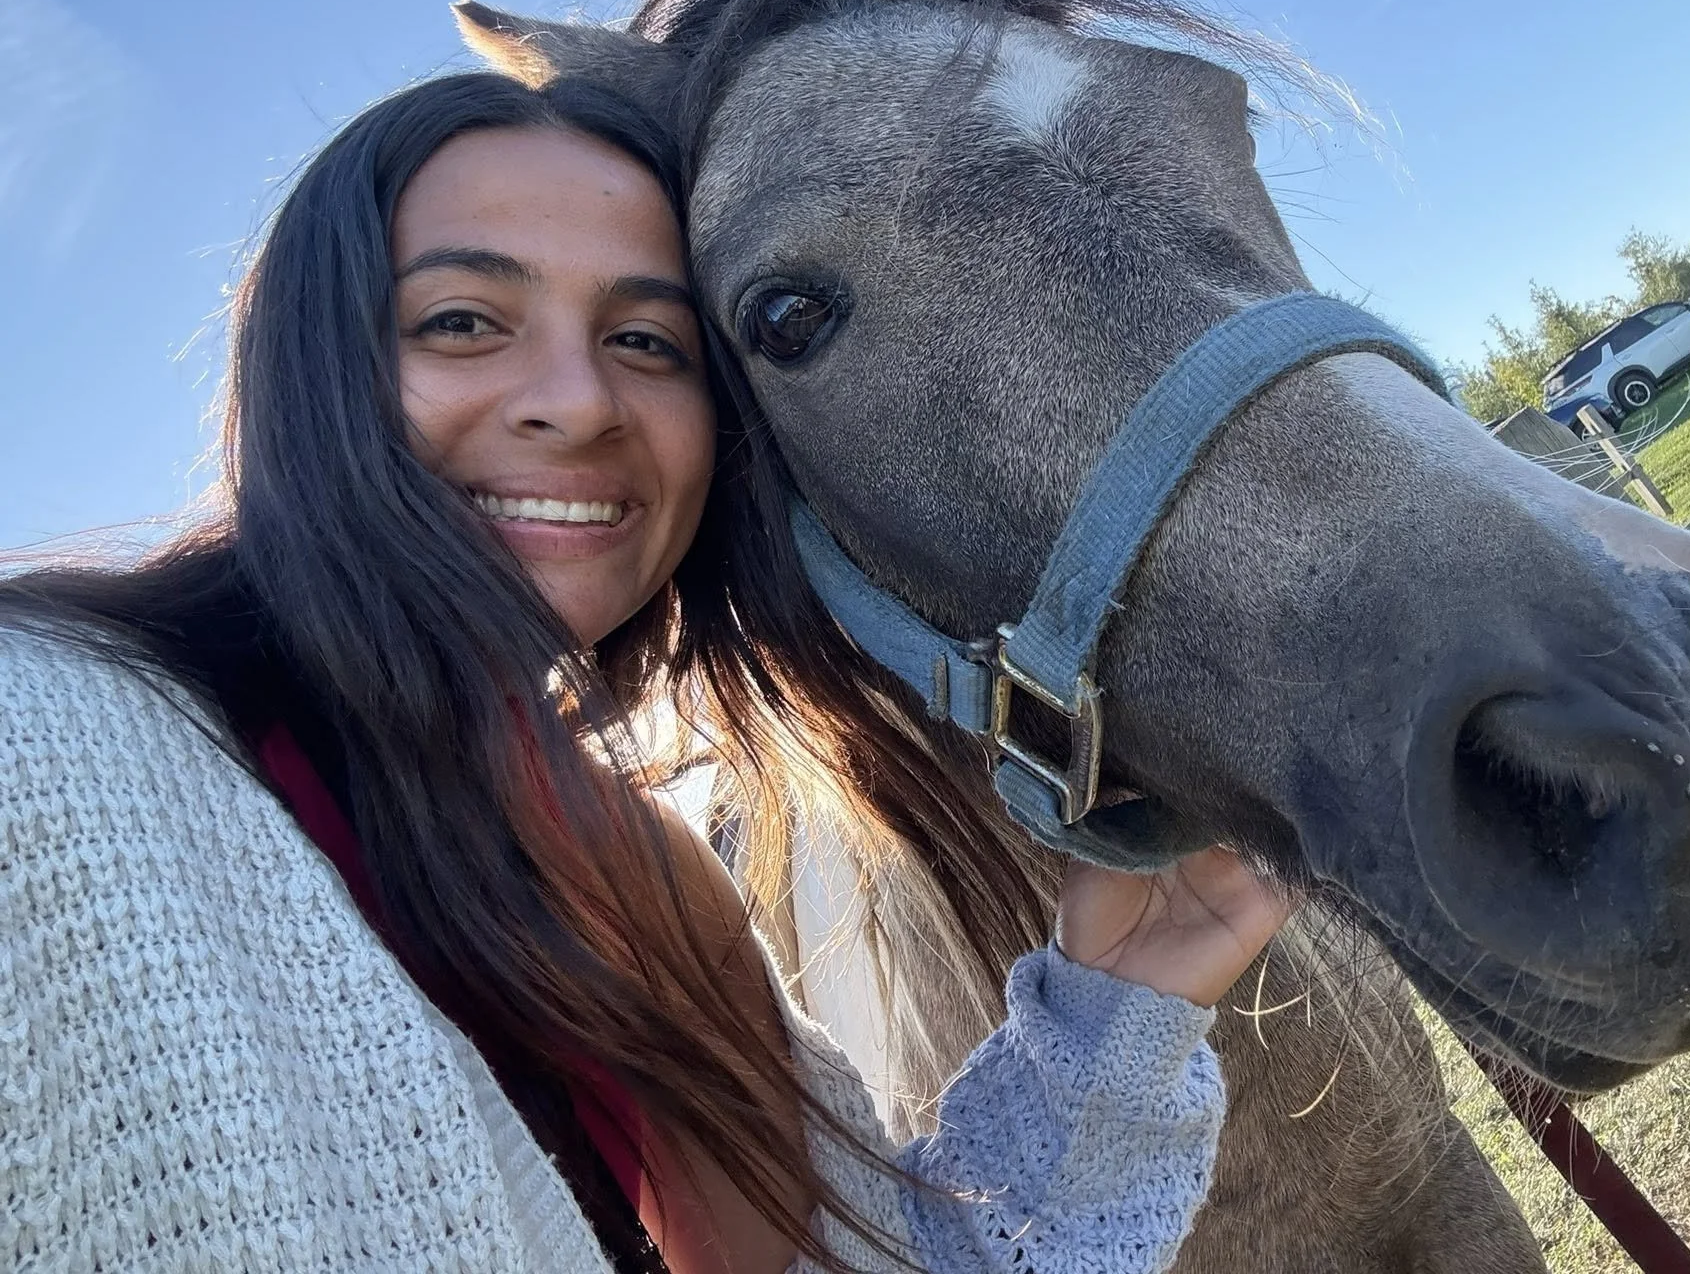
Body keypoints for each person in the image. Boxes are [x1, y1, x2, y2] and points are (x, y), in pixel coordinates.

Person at [0, 71, 1293, 1273]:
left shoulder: (632, 875)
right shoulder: (40, 755)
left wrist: (1114, 1008)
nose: (577, 399)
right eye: (462, 321)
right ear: (314, 378)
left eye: (646, 343)